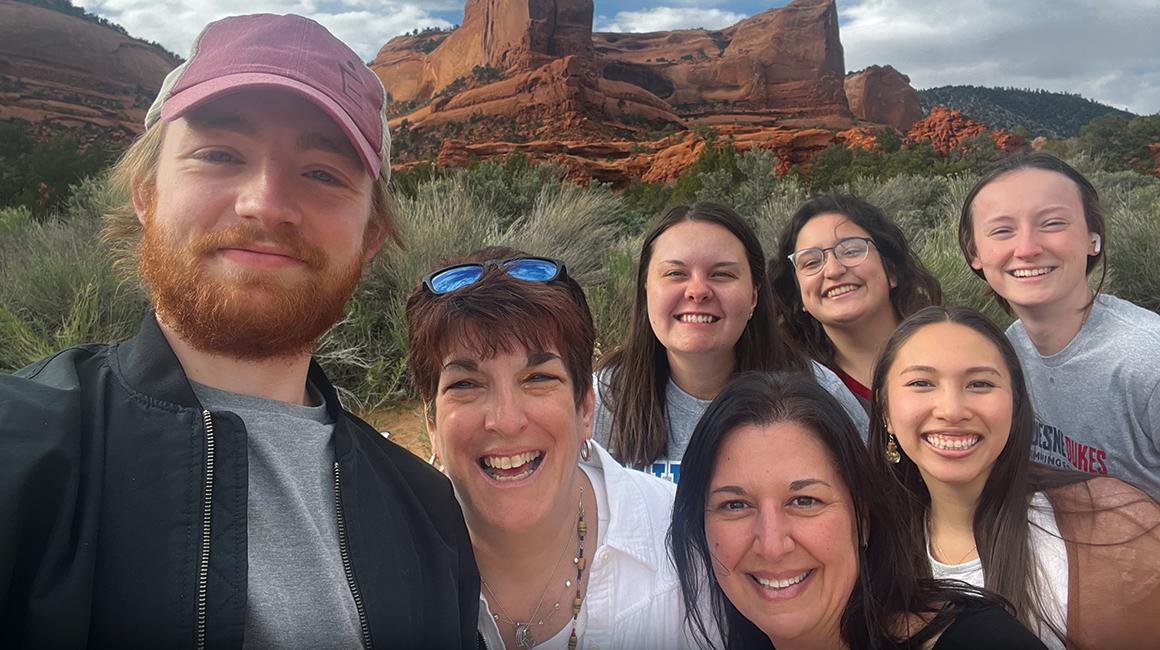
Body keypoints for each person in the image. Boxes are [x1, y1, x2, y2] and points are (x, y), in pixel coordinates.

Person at [0, 14, 479, 648]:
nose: (265, 202)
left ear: (370, 239)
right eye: (220, 154)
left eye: (322, 173)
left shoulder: (427, 509)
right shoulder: (20, 450)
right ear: (147, 196)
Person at [405, 246, 695, 649]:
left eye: (538, 378)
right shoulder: (386, 571)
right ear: (432, 425)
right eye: (466, 384)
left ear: (585, 409)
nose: (506, 420)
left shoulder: (685, 539)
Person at [671, 371, 1047, 650]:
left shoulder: (979, 642)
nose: (771, 545)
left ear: (862, 519)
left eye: (805, 501)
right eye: (735, 505)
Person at [868, 304, 1160, 649]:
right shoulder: (864, 547)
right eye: (921, 383)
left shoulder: (1118, 529)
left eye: (979, 383)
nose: (951, 410)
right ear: (885, 410)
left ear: (1015, 405)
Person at [593, 202, 868, 482]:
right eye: (675, 273)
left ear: (753, 297)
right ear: (647, 289)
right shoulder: (599, 400)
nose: (698, 291)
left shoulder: (820, 393)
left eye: (722, 274)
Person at [959, 152, 1160, 500]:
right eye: (1002, 230)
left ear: (1092, 239)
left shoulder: (1147, 360)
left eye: (1052, 223)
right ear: (974, 252)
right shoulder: (1010, 350)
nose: (1027, 248)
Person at [769, 194, 942, 412]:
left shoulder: (957, 351)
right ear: (798, 293)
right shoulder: (793, 396)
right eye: (811, 262)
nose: (833, 270)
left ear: (892, 271)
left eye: (851, 251)